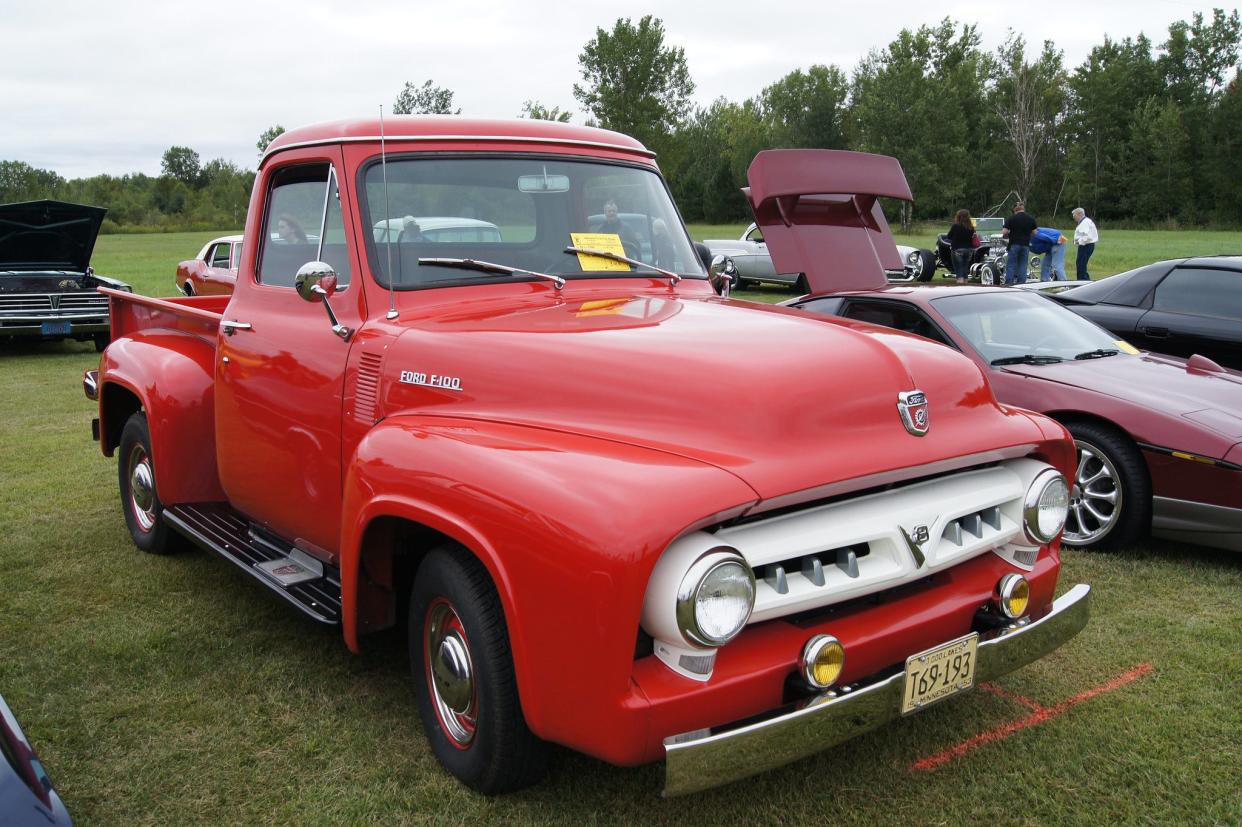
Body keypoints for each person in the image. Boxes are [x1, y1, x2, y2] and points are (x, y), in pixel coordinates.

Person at [1001, 202, 1038, 285]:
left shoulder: (1011, 218)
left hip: (1014, 244)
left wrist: (1010, 232)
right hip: (1025, 245)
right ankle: (1021, 283)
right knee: (1023, 265)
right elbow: (1035, 232)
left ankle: (1009, 283)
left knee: (1011, 265)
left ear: (1015, 209)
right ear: (1023, 209)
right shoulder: (1031, 219)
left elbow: (1004, 232)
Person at [945, 209, 976, 284]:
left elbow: (949, 236)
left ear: (958, 217)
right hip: (969, 250)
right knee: (965, 268)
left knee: (959, 270)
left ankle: (960, 283)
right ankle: (965, 282)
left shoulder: (955, 226)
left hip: (957, 250)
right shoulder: (971, 227)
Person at [1072, 207, 1098, 280]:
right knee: (1081, 264)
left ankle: (1083, 281)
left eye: (1074, 215)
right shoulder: (1085, 221)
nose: (1073, 217)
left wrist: (1078, 241)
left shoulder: (1085, 222)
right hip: (1086, 245)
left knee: (1081, 265)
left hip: (1086, 246)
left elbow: (1088, 237)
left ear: (1079, 214)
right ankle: (1083, 280)